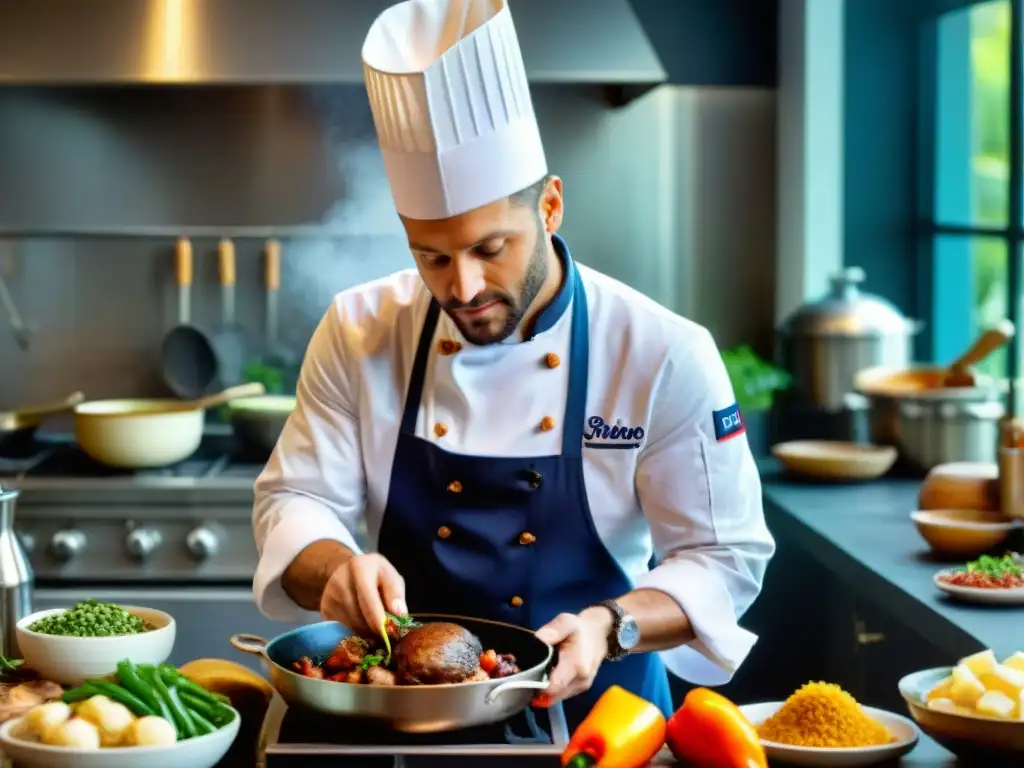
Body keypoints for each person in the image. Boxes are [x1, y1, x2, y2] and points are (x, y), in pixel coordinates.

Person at [252, 0, 775, 728]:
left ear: (551, 207)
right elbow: (295, 501)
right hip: (398, 715)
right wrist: (335, 568)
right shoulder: (358, 328)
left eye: (490, 249)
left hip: (600, 717)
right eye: (432, 256)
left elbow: (721, 557)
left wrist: (610, 626)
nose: (461, 288)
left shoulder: (662, 352)